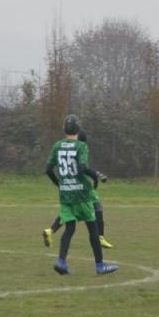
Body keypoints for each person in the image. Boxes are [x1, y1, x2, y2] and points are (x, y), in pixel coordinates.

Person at [46, 115, 116, 276]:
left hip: (66, 194)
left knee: (69, 227)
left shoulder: (57, 145)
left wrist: (59, 184)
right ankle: (100, 266)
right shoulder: (81, 146)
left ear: (64, 129)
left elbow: (48, 169)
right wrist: (97, 175)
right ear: (78, 129)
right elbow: (82, 168)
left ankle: (61, 261)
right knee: (93, 229)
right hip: (82, 194)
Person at [42, 129, 111, 250]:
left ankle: (51, 230)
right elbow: (85, 169)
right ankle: (100, 237)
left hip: (69, 187)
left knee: (68, 212)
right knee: (98, 208)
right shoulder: (80, 149)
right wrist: (98, 177)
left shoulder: (68, 149)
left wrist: (98, 175)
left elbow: (85, 168)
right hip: (83, 187)